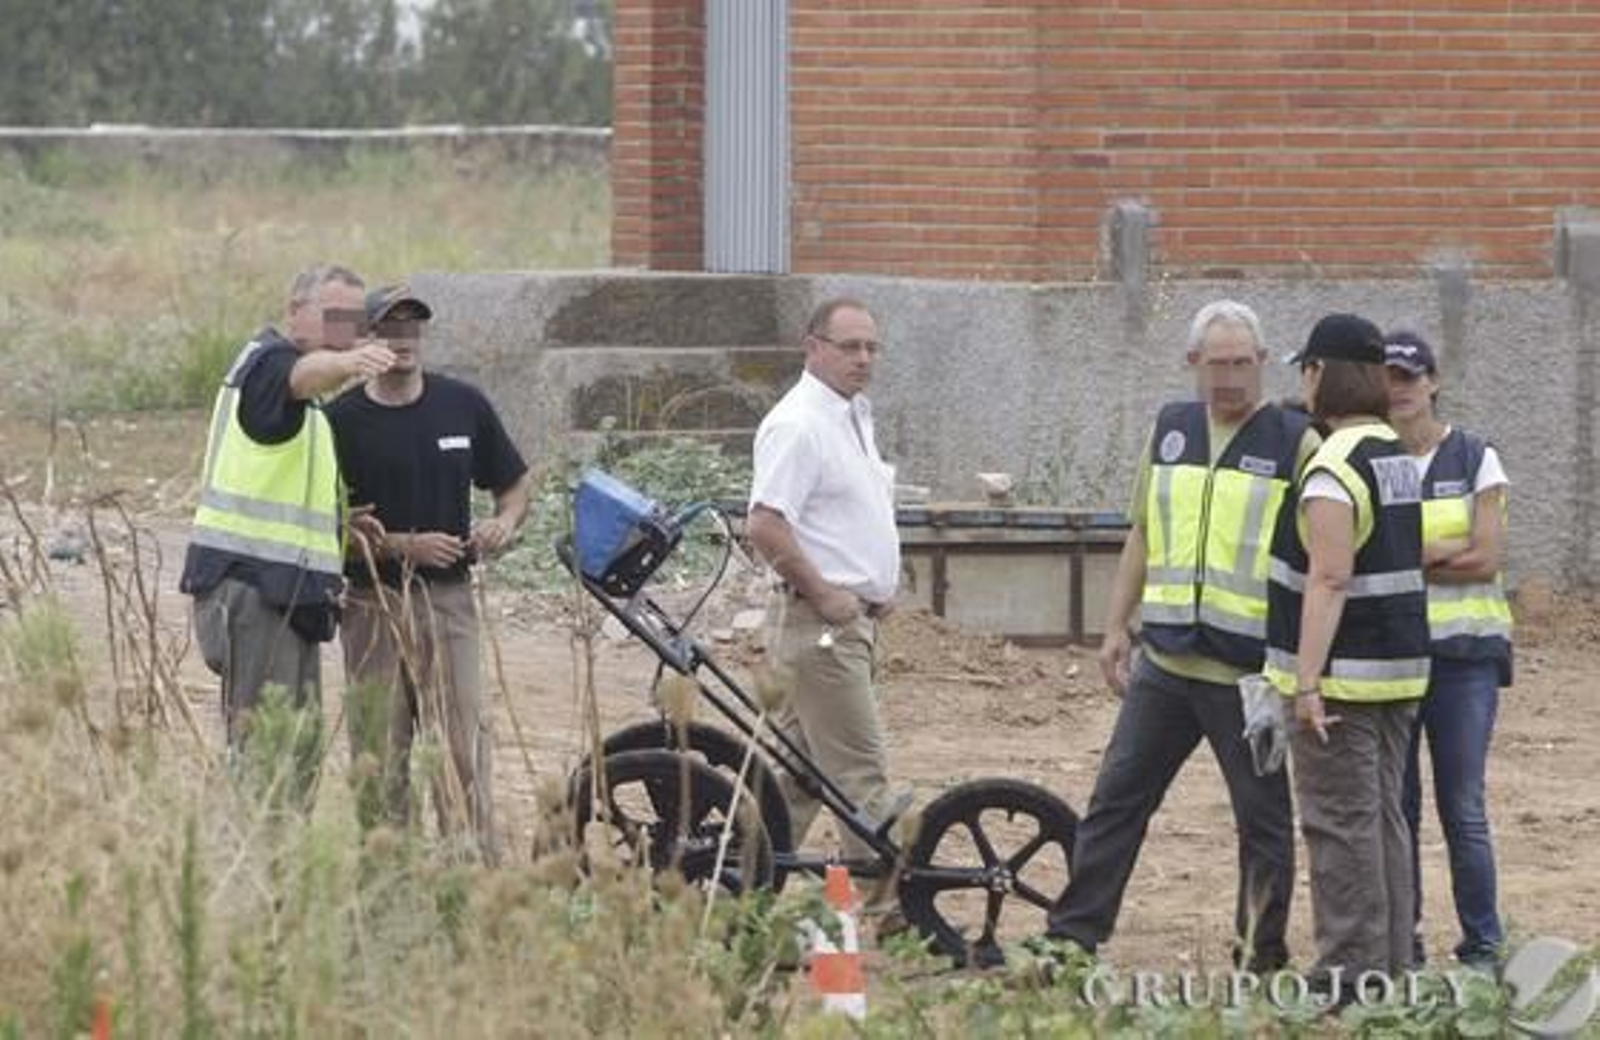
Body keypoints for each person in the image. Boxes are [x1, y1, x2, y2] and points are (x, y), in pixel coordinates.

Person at [1044, 300, 1314, 972]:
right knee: (1115, 803)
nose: (1230, 377)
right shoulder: (1171, 429)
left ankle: (1260, 955)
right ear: (1194, 363)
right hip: (1164, 665)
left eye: (1243, 363)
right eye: (1217, 364)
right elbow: (1143, 532)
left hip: (1249, 677)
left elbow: (1321, 559)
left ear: (1262, 361)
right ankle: (1072, 939)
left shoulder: (1294, 441)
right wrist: (1116, 625)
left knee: (1262, 821)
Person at [325, 285, 530, 862]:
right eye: (390, 327)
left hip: (450, 604)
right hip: (373, 607)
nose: (403, 339)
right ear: (368, 339)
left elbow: (513, 484)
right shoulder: (339, 421)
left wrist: (503, 523)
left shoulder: (462, 405)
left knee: (462, 750)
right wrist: (398, 545)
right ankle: (387, 881)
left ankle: (472, 876)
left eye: (412, 327)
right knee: (380, 752)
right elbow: (322, 524)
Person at [1264, 313, 1432, 996]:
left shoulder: (1333, 465)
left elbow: (1330, 577)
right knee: (1383, 821)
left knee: (1339, 826)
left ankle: (1349, 976)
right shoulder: (1391, 453)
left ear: (1319, 374)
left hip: (1344, 683)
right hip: (1397, 674)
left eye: (1305, 369)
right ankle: (1389, 968)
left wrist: (1306, 682)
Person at [181, 264, 395, 788]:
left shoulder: (302, 401)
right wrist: (347, 362)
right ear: (295, 310)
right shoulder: (270, 366)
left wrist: (339, 526)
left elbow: (281, 495)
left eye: (356, 320)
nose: (348, 330)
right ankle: (247, 841)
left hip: (284, 595)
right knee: (266, 756)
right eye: (335, 315)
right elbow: (305, 374)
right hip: (252, 590)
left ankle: (274, 841)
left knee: (294, 754)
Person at [746, 297, 902, 868]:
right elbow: (764, 524)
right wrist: (827, 594)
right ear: (813, 348)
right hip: (821, 630)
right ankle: (888, 906)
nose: (863, 359)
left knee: (797, 778)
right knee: (859, 775)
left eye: (872, 348)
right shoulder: (799, 424)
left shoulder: (850, 414)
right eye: (850, 347)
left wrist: (875, 587)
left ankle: (739, 889)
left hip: (841, 624)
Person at [1383, 330, 1511, 971]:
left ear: (1433, 382)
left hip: (1465, 659)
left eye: (1409, 377)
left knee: (1463, 807)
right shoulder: (1376, 461)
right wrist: (1443, 550)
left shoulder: (1475, 456)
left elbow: (1486, 558)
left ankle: (1482, 945)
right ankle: (1402, 942)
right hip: (1396, 660)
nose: (1398, 390)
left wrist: (1407, 557)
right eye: (1387, 380)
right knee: (1398, 809)